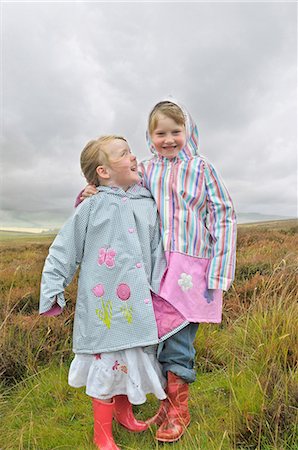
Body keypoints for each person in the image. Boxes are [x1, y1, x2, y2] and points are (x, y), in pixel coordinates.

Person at [79, 100, 237, 443]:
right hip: (151, 270)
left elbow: (223, 216)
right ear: (150, 136)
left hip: (191, 269)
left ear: (188, 132)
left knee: (179, 342)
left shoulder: (202, 168)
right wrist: (92, 191)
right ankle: (159, 403)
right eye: (160, 132)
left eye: (175, 131)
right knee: (154, 340)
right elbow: (121, 190)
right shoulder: (147, 169)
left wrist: (220, 271)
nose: (168, 139)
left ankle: (178, 411)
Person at [39, 135, 188, 450]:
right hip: (103, 306)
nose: (134, 157)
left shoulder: (147, 201)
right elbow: (64, 250)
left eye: (132, 151)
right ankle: (102, 435)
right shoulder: (91, 206)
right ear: (103, 172)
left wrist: (168, 287)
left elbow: (158, 250)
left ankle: (124, 414)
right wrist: (53, 289)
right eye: (124, 153)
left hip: (140, 303)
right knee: (108, 365)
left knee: (130, 360)